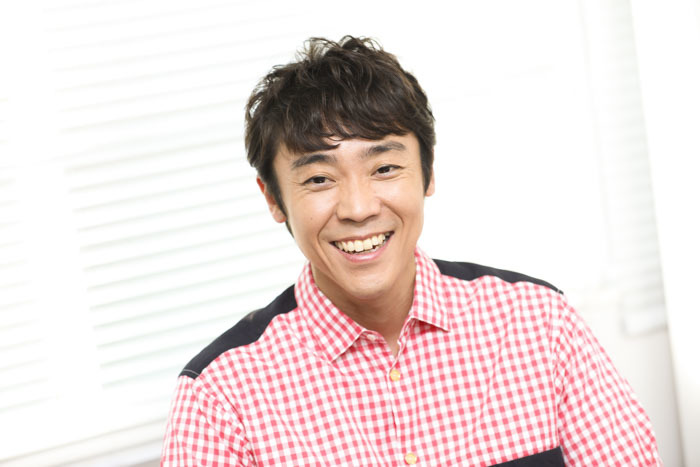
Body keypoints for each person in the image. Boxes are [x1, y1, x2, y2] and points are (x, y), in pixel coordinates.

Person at [162, 36, 662, 466]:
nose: (358, 208)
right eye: (319, 179)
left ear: (428, 171)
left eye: (384, 169)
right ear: (273, 199)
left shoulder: (539, 324)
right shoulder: (220, 397)